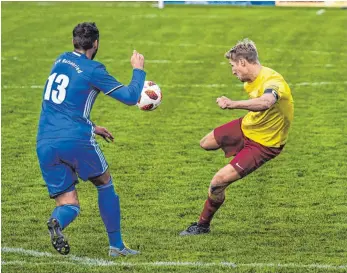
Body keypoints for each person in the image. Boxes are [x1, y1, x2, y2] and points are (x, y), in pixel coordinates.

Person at [36, 22, 146, 256]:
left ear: (74, 41)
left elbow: (61, 105)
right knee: (104, 182)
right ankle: (116, 246)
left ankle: (58, 221)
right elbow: (130, 97)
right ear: (95, 44)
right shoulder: (93, 69)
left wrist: (93, 126)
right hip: (75, 140)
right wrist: (138, 70)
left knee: (69, 204)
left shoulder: (61, 60)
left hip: (45, 141)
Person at [180, 38, 294, 236]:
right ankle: (239, 154)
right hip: (249, 126)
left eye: (233, 66)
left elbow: (266, 102)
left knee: (217, 183)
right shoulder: (250, 80)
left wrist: (232, 104)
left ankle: (202, 225)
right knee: (206, 143)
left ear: (243, 62)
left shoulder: (274, 82)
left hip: (265, 143)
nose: (232, 70)